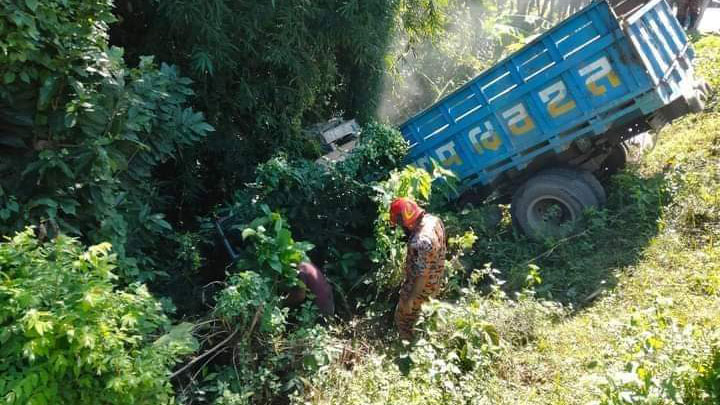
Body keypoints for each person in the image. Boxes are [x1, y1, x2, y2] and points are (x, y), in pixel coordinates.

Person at [389, 197, 446, 340]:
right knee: (422, 318)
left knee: (404, 320)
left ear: (406, 221)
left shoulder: (421, 241)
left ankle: (407, 347)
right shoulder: (433, 220)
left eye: (399, 223)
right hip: (436, 279)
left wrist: (411, 300)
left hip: (422, 287)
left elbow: (422, 275)